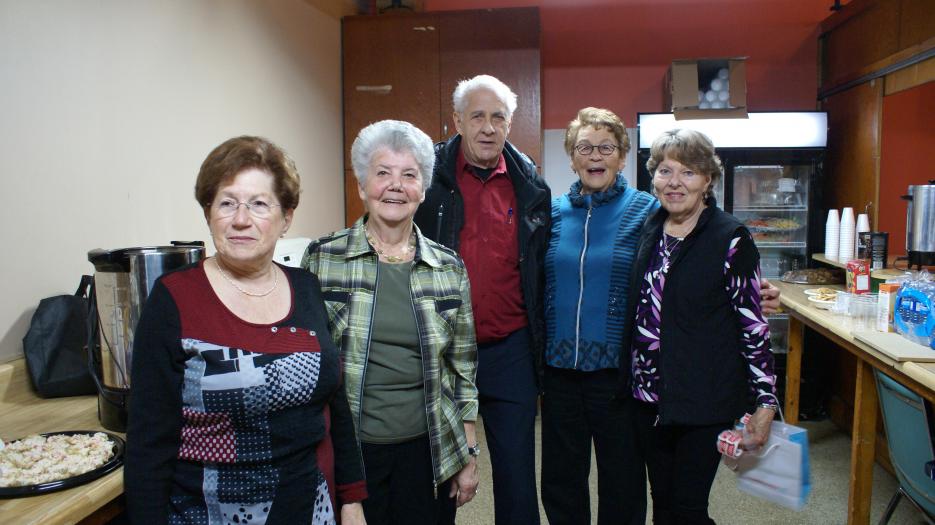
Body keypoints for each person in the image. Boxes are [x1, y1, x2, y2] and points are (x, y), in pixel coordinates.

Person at [124, 136, 367, 524]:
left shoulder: (305, 288)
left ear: (286, 217)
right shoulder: (175, 299)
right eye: (227, 202)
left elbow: (334, 404)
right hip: (210, 513)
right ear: (208, 213)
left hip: (310, 507)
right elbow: (148, 447)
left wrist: (351, 498)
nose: (241, 219)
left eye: (258, 204)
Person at [303, 120, 479, 525]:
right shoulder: (323, 258)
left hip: (428, 448)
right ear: (363, 186)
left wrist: (469, 452)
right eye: (382, 173)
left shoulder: (448, 267)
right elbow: (313, 366)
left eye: (409, 175)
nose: (395, 186)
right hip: (352, 454)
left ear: (423, 189)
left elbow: (463, 367)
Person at [623, 128, 778, 524]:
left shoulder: (731, 239)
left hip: (703, 399)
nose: (674, 182)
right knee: (664, 503)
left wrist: (764, 403)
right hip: (648, 398)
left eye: (688, 172)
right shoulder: (650, 228)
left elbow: (753, 327)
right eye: (664, 170)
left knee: (689, 509)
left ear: (708, 179)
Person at [414, 74, 549, 525]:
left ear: (510, 124)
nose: (488, 127)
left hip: (509, 348)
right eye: (477, 116)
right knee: (440, 476)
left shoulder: (531, 185)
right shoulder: (426, 178)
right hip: (442, 350)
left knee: (516, 478)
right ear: (457, 121)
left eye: (498, 117)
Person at [540, 107, 656, 525]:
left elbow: (684, 261)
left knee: (622, 479)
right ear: (571, 157)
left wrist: (743, 287)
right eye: (584, 147)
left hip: (617, 373)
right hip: (559, 371)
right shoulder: (551, 213)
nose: (595, 156)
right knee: (561, 478)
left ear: (622, 156)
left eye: (606, 147)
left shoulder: (647, 210)